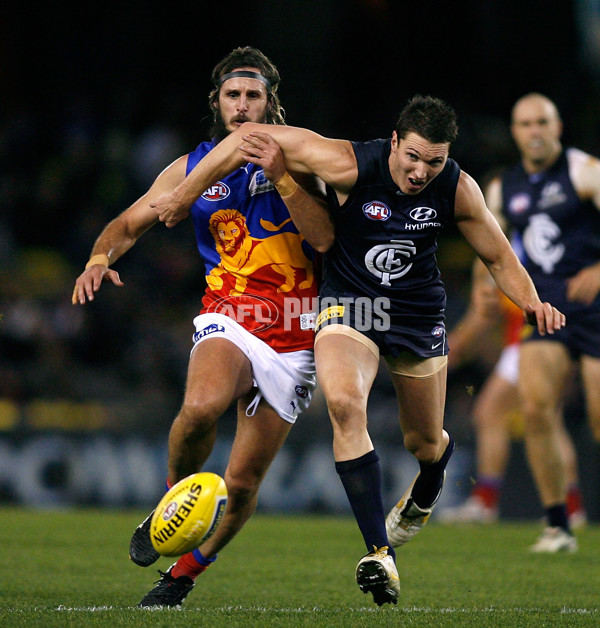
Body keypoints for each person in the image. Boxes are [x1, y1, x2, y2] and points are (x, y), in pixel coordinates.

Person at [147, 94, 565, 605]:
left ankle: (435, 470)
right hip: (350, 308)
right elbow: (246, 139)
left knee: (425, 443)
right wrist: (185, 193)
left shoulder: (457, 188)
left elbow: (500, 256)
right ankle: (378, 551)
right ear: (394, 142)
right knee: (345, 404)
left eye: (433, 161)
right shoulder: (347, 161)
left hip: (414, 315)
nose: (419, 172)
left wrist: (532, 303)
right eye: (412, 157)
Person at [72, 46, 332, 608]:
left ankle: (182, 575)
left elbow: (325, 241)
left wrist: (283, 178)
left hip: (297, 330)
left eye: (253, 96)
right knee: (199, 408)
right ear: (216, 102)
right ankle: (172, 504)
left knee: (241, 485)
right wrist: (99, 259)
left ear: (271, 102)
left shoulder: (303, 155)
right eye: (233, 96)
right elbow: (128, 222)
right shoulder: (189, 168)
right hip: (230, 313)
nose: (242, 107)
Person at [481, 92, 600, 552]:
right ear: (515, 132)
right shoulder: (503, 188)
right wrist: (481, 284)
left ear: (557, 127)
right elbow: (488, 241)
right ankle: (557, 525)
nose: (534, 131)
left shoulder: (583, 171)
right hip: (546, 310)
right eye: (525, 123)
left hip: (594, 309)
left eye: (542, 122)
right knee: (533, 410)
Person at [438, 259, 587, 526]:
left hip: (532, 343)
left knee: (492, 413)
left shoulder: (505, 253)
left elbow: (483, 314)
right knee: (546, 421)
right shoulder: (524, 246)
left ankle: (486, 501)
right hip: (533, 343)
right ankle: (570, 508)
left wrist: (451, 348)